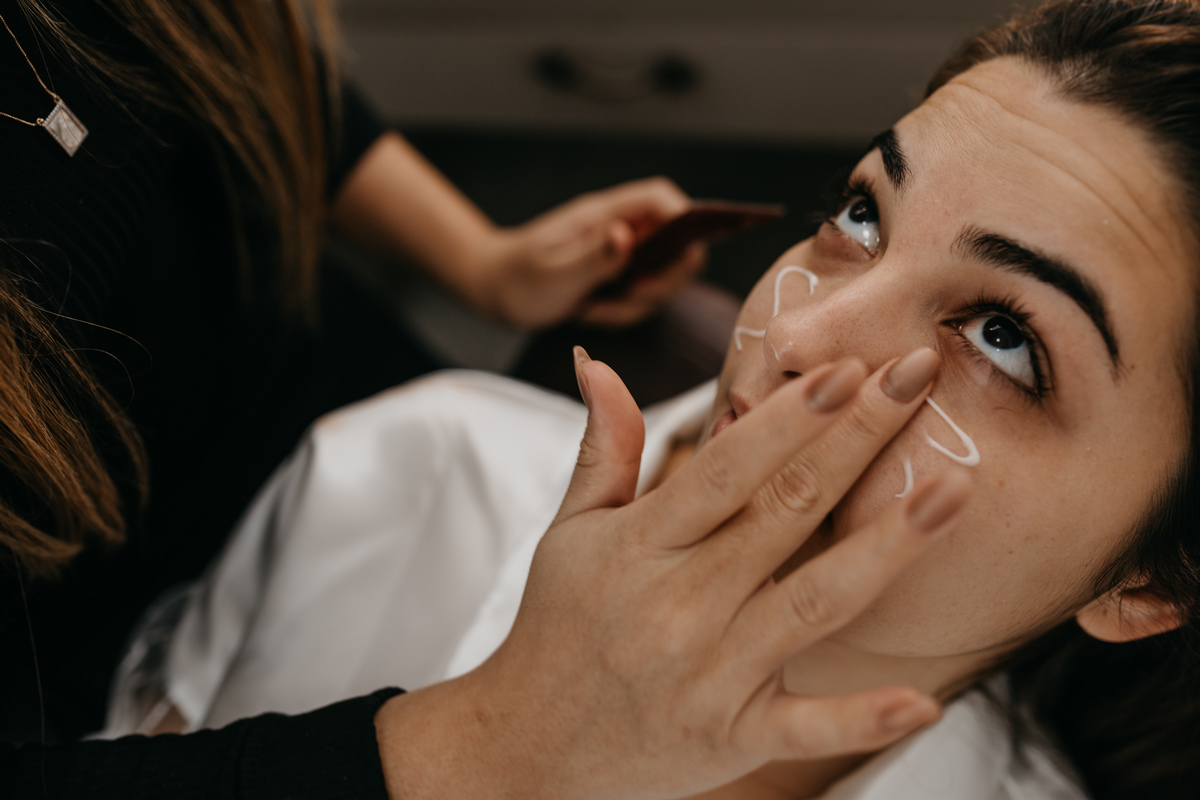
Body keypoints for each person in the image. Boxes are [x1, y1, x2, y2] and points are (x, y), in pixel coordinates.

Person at [100, 0, 1200, 798]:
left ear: (1147, 581)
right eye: (862, 215)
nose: (802, 337)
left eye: (1006, 338)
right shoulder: (405, 473)